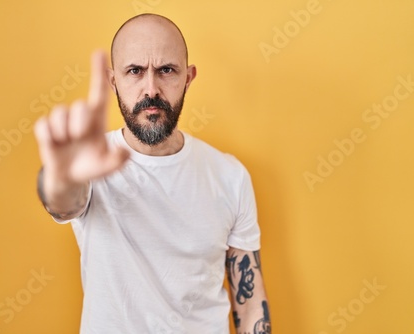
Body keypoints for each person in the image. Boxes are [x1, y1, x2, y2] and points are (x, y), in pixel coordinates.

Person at [34, 13, 271, 334]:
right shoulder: (90, 165)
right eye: (134, 71)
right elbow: (62, 202)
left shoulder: (229, 174)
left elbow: (250, 298)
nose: (151, 89)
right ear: (113, 79)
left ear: (188, 78)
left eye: (166, 71)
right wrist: (63, 175)